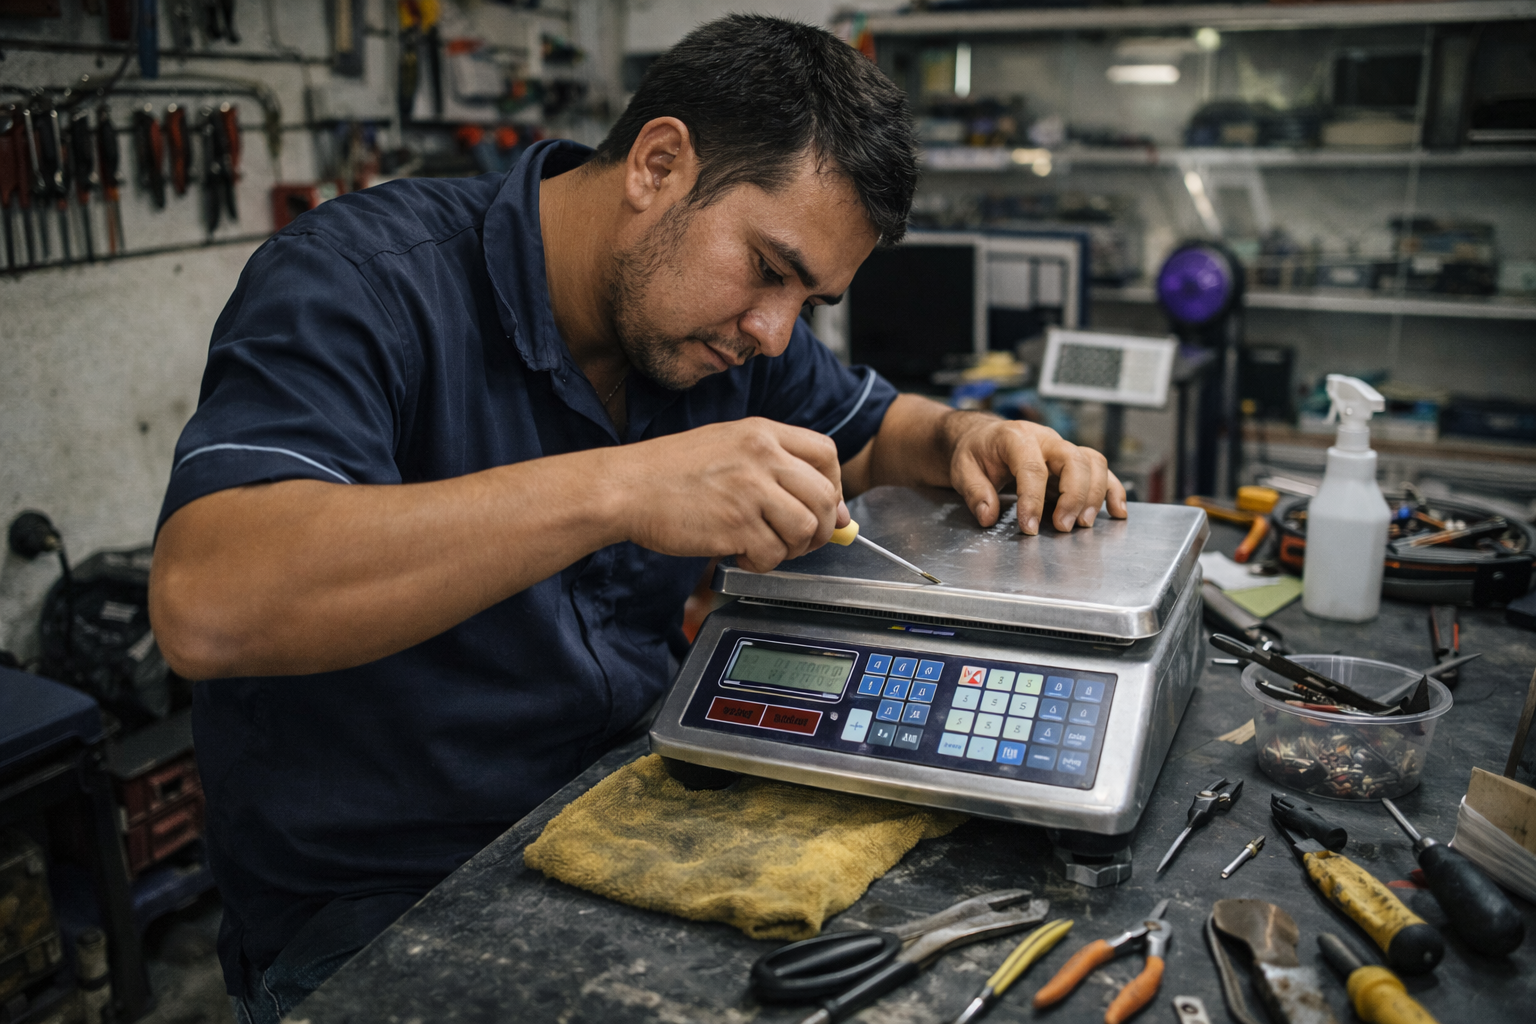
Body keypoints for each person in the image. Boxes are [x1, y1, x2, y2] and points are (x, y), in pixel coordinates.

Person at [149, 14, 1125, 1022]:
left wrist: (970, 435)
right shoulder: (360, 284)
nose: (774, 329)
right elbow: (209, 601)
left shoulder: (723, 330)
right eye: (768, 268)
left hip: (637, 819)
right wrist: (621, 486)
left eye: (810, 300)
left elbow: (877, 433)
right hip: (381, 906)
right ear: (658, 163)